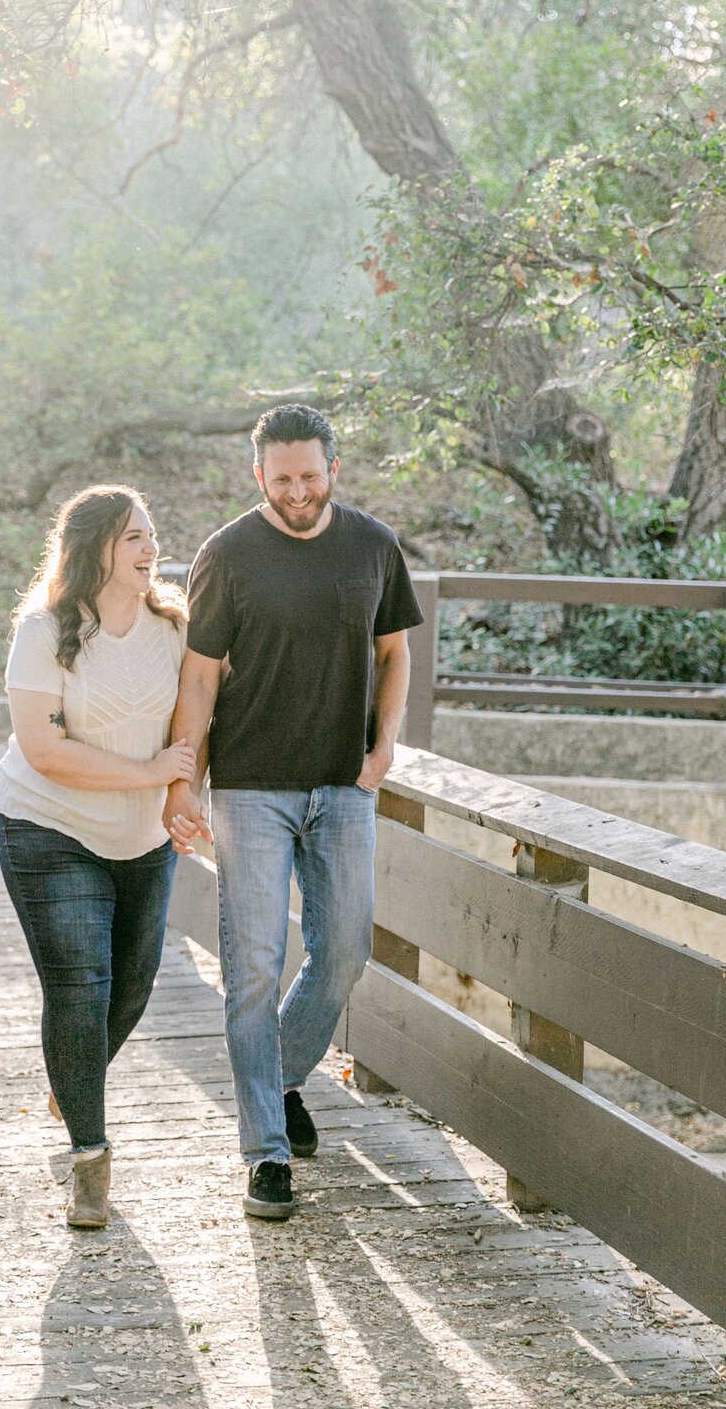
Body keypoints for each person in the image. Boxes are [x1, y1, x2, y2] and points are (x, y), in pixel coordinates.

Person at [162, 404, 422, 1221]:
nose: (298, 493)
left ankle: (275, 1078)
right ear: (258, 476)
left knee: (346, 947)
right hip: (251, 785)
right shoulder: (228, 554)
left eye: (311, 477)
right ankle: (266, 1153)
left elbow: (394, 653)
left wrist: (383, 751)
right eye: (282, 480)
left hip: (343, 783)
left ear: (333, 469)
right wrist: (185, 780)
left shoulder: (373, 547)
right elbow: (200, 677)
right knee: (253, 964)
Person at [0, 485, 196, 1230]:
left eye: (151, 535)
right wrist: (153, 775)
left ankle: (68, 1084)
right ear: (94, 550)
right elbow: (45, 751)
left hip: (140, 838)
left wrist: (180, 793)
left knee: (132, 989)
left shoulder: (174, 627)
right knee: (81, 983)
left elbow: (195, 722)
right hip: (47, 827)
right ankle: (88, 1159)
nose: (151, 550)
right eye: (133, 538)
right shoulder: (45, 630)